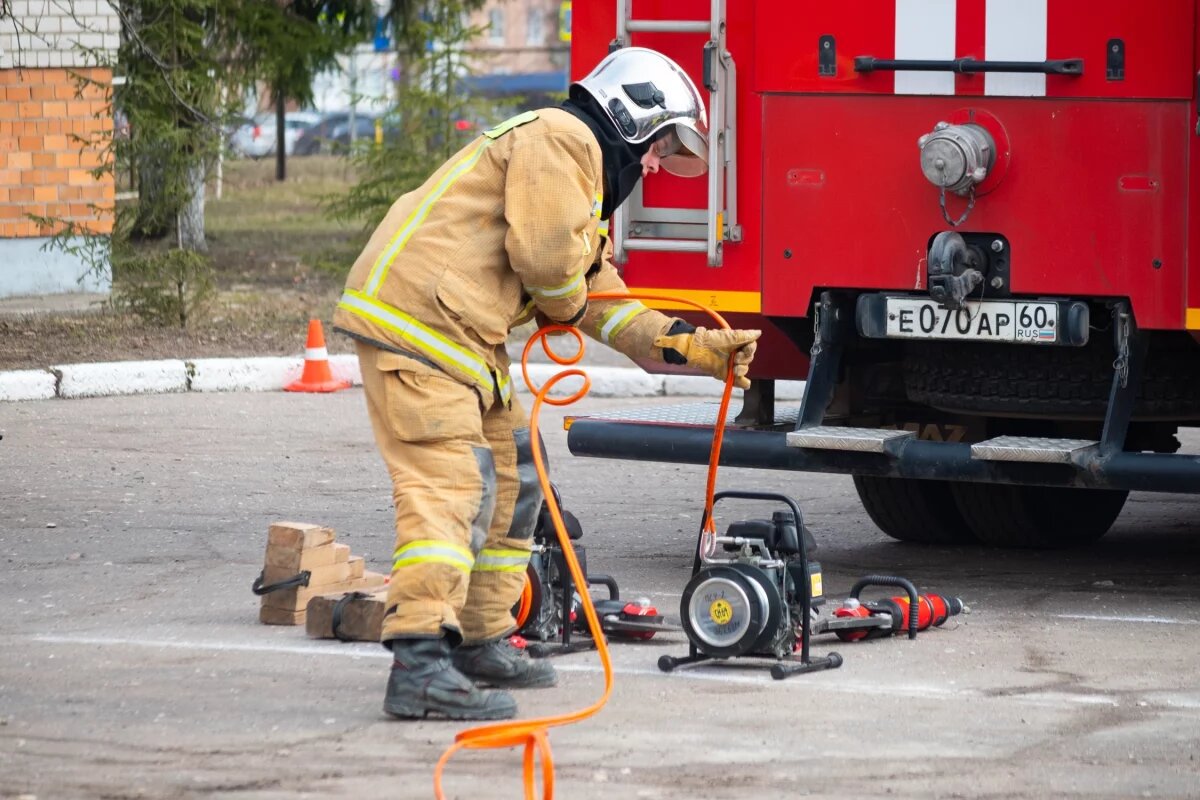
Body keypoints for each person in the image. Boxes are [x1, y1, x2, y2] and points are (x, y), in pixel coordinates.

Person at [332, 46, 761, 721]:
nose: (653, 166)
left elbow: (599, 299)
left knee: (516, 478)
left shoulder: (576, 176)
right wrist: (566, 298)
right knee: (451, 489)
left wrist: (695, 348)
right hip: (420, 325)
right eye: (658, 148)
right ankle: (417, 661)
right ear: (631, 117)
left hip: (459, 335)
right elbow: (552, 273)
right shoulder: (562, 140)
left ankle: (479, 639)